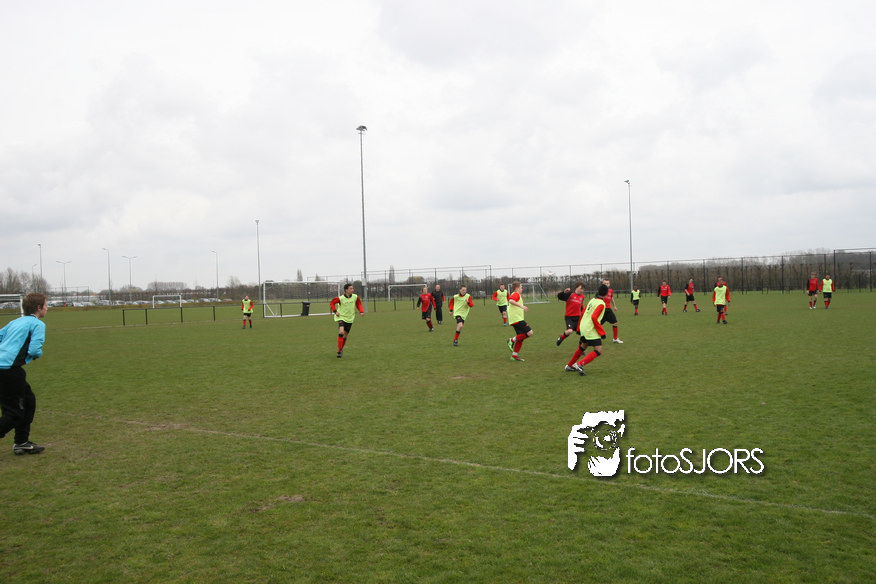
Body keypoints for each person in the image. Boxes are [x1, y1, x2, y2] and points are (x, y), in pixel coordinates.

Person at [0, 292, 49, 456]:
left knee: (28, 401)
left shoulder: (15, 321)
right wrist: (37, 354)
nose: (47, 309)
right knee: (14, 413)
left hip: (6, 368)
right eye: (46, 306)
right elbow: (34, 350)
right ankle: (21, 442)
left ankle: (21, 442)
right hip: (9, 369)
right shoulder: (37, 324)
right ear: (38, 307)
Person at [565, 284, 608, 376]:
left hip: (584, 327)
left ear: (598, 291)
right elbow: (594, 317)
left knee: (583, 346)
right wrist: (602, 333)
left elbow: (583, 312)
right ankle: (579, 365)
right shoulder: (601, 304)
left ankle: (569, 366)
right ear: (606, 294)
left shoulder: (592, 300)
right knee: (598, 350)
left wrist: (579, 327)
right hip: (590, 329)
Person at [330, 284, 365, 357]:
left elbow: (359, 304)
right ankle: (339, 350)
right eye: (351, 288)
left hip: (350, 318)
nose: (352, 290)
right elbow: (332, 303)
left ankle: (341, 348)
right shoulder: (340, 298)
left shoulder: (355, 297)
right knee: (341, 332)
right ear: (346, 290)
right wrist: (335, 311)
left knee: (345, 335)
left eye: (353, 288)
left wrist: (361, 311)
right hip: (341, 317)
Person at [506, 281, 533, 361]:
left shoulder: (516, 294)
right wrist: (522, 306)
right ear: (517, 288)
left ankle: (514, 356)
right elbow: (510, 300)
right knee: (530, 332)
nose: (522, 289)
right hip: (517, 319)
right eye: (521, 287)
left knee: (520, 338)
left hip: (515, 319)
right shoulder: (516, 294)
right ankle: (511, 340)